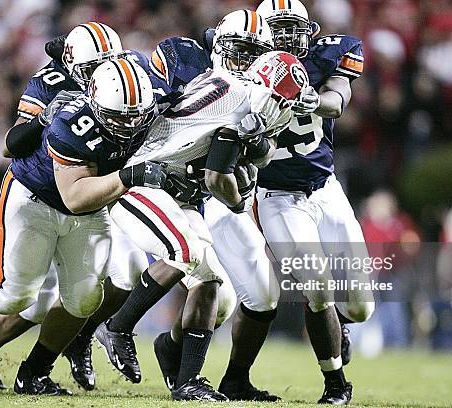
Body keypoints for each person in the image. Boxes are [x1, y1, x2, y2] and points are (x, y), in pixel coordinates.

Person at [0, 58, 166, 395]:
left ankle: (34, 372)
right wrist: (131, 175)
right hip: (37, 200)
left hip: (89, 210)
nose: (128, 126)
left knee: (84, 300)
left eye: (135, 117)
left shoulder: (143, 108)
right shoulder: (70, 122)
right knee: (14, 296)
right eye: (118, 118)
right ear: (97, 105)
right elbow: (75, 196)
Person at [102, 50, 305, 401]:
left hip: (172, 188)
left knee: (209, 282)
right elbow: (216, 179)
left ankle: (187, 381)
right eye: (283, 102)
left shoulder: (233, 84)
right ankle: (118, 327)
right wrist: (239, 202)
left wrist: (254, 149)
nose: (285, 110)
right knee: (184, 250)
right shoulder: (247, 105)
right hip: (142, 182)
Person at [0, 22, 123, 392]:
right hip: (38, 193)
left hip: (93, 201)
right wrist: (46, 117)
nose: (100, 76)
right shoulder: (52, 80)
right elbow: (10, 144)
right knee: (20, 295)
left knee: (83, 297)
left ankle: (40, 362)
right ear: (72, 62)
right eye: (92, 67)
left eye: (107, 66)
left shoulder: (125, 82)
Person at [146, 10, 284, 401]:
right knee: (121, 275)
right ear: (220, 45)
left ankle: (193, 360)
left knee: (244, 294)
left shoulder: (266, 84)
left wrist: (256, 142)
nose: (245, 61)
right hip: (172, 184)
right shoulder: (184, 60)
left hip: (217, 194)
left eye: (253, 53)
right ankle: (104, 334)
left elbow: (263, 150)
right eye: (238, 51)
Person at [253, 0, 375, 404]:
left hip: (325, 190)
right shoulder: (245, 71)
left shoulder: (329, 56)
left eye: (293, 27)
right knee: (317, 287)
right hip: (277, 198)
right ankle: (335, 383)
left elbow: (338, 99)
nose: (286, 36)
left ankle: (341, 324)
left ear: (310, 29)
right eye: (278, 28)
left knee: (360, 309)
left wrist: (308, 99)